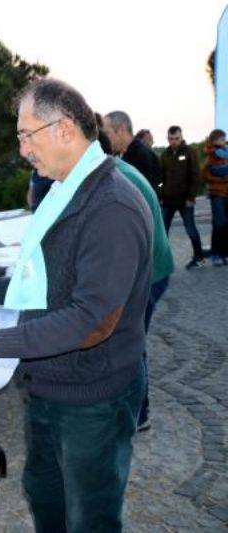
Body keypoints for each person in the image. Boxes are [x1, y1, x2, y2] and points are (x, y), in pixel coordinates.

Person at [0, 78, 152, 531]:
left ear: (63, 130)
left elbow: (92, 321)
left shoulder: (111, 205)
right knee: (45, 495)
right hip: (49, 385)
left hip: (92, 398)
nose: (22, 150)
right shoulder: (66, 190)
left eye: (25, 135)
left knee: (89, 517)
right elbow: (49, 282)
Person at [102, 110, 176, 432]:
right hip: (152, 268)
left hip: (150, 273)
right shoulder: (117, 168)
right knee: (132, 339)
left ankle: (138, 413)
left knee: (131, 341)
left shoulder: (117, 177)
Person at [160, 125, 206, 269]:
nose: (173, 141)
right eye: (171, 139)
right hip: (167, 200)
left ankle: (199, 258)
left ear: (181, 137)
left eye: (176, 138)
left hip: (185, 201)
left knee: (190, 229)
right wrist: (160, 194)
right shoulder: (165, 154)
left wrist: (191, 197)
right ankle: (162, 261)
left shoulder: (189, 152)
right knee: (162, 231)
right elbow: (161, 178)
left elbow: (196, 175)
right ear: (167, 138)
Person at [104, 111, 162, 192]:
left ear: (121, 131)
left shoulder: (142, 155)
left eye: (107, 133)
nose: (105, 138)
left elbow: (154, 187)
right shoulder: (123, 154)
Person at [201, 129, 228, 265]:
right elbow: (206, 173)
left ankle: (225, 253)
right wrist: (221, 177)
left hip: (226, 193)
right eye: (222, 139)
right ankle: (216, 254)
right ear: (215, 140)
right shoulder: (211, 155)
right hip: (217, 194)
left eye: (224, 139)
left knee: (226, 225)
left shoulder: (225, 153)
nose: (224, 142)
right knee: (219, 224)